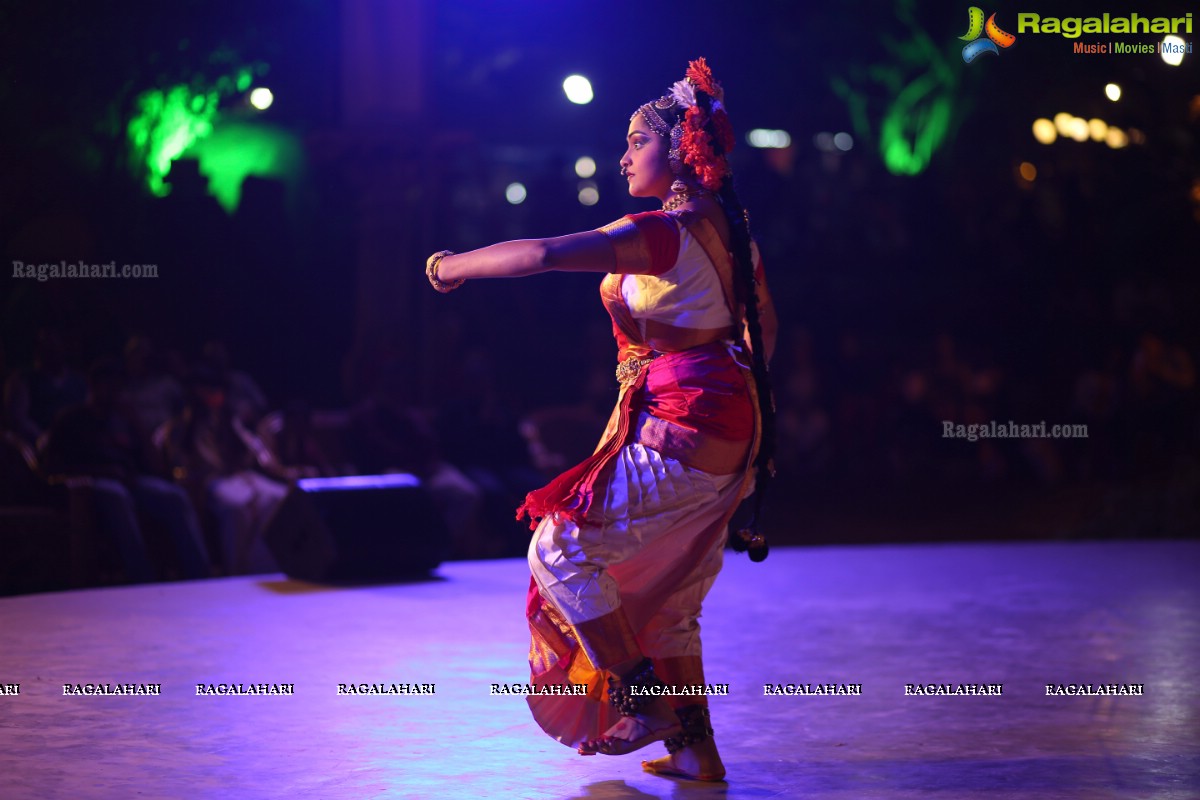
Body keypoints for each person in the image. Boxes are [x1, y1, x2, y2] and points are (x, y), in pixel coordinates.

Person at [426, 59, 777, 782]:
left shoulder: (668, 230)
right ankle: (694, 751)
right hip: (731, 426)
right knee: (673, 600)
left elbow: (548, 254)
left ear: (678, 149)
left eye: (635, 141)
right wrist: (750, 419)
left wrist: (453, 264)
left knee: (559, 547)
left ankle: (641, 698)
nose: (622, 156)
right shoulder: (731, 231)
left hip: (686, 422)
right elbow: (763, 330)